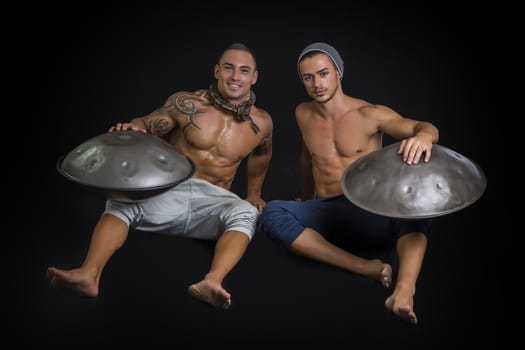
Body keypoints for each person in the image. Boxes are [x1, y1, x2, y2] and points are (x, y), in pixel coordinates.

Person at [47, 43, 273, 310]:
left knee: (246, 212)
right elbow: (151, 122)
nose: (236, 76)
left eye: (244, 71)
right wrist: (135, 127)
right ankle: (88, 274)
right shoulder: (187, 103)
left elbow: (262, 153)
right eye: (229, 68)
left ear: (254, 77)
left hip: (214, 202)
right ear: (217, 71)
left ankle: (212, 281)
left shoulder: (263, 122)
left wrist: (254, 193)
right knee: (121, 201)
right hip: (172, 189)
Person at [258, 42, 438, 325]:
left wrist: (425, 136)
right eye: (308, 77)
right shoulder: (302, 114)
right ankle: (367, 268)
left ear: (338, 73)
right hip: (330, 213)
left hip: (372, 213)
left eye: (323, 73)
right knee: (271, 214)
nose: (317, 83)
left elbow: (422, 127)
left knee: (418, 210)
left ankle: (404, 291)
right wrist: (306, 200)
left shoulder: (371, 114)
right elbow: (308, 157)